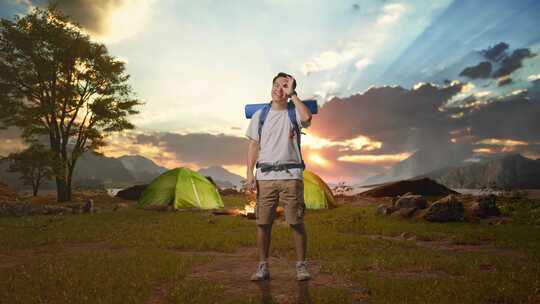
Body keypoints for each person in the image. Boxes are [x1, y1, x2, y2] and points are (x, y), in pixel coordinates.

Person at [245, 72, 312, 281]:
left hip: (291, 176)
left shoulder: (294, 113)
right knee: (263, 223)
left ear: (290, 90)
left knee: (295, 222)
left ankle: (301, 266)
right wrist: (249, 173)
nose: (278, 89)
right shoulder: (260, 115)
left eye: (284, 86)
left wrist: (294, 95)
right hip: (265, 177)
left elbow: (307, 118)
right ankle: (263, 266)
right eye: (276, 85)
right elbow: (254, 145)